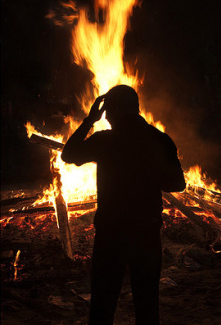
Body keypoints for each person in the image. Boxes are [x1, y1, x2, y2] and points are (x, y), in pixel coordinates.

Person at [61, 85, 186, 325]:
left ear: (113, 112)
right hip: (146, 232)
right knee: (147, 304)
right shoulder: (159, 139)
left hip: (111, 232)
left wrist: (89, 120)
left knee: (103, 304)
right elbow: (177, 184)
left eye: (107, 112)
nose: (105, 118)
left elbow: (69, 154)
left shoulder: (105, 140)